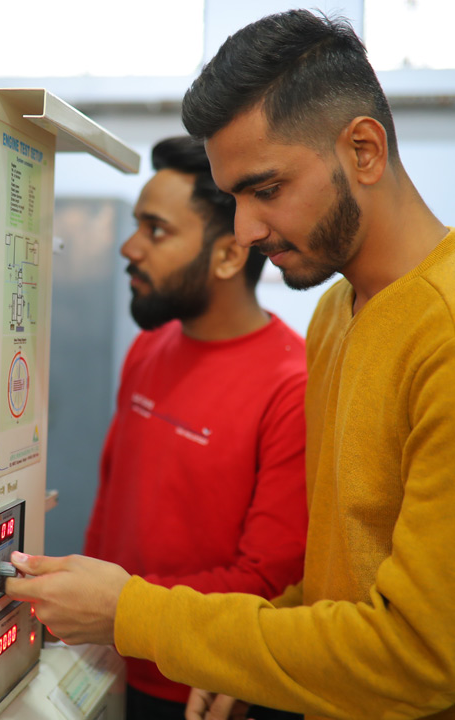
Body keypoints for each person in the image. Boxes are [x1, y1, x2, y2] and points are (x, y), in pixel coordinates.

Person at [6, 9, 455, 720]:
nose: (245, 230)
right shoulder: (337, 315)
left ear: (364, 150)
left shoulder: (443, 334)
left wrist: (135, 613)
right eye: (235, 198)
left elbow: (423, 657)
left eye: (266, 189)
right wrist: (241, 657)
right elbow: (339, 581)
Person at [84, 136, 308, 720]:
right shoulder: (150, 346)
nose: (129, 247)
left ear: (229, 256)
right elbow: (110, 502)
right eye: (137, 225)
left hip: (200, 688)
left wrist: (118, 608)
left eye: (156, 230)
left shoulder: (293, 385)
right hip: (107, 662)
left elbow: (266, 577)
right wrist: (91, 623)